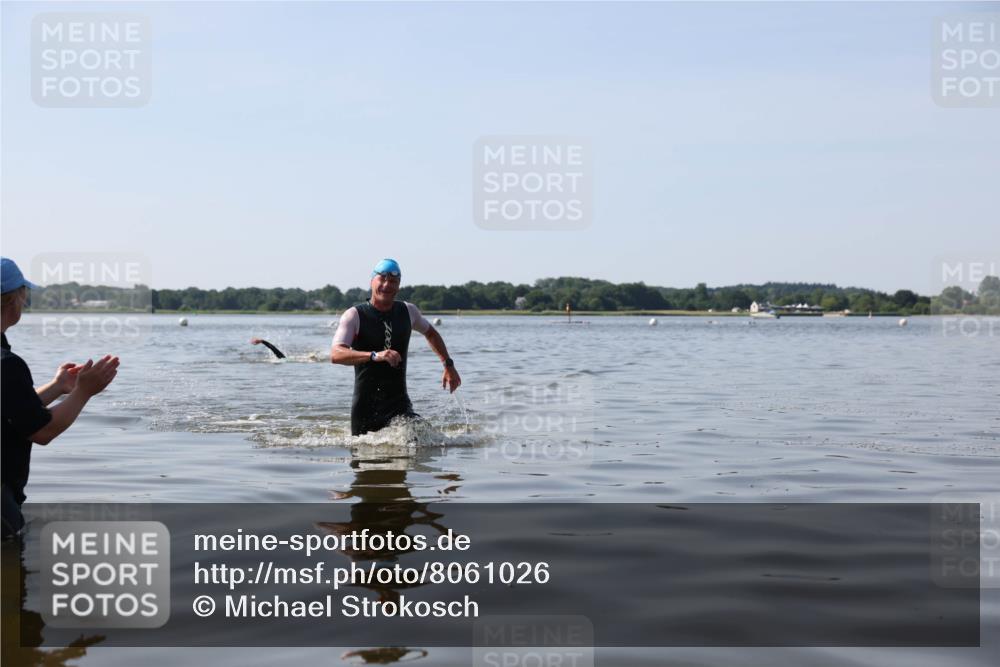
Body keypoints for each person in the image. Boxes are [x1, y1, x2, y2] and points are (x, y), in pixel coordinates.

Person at [1, 258, 119, 539]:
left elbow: (13, 411)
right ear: (13, 300)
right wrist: (83, 392)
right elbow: (41, 430)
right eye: (23, 293)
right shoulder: (7, 364)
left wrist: (57, 387)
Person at [330, 258, 461, 436]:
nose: (386, 285)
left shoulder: (408, 311)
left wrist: (448, 365)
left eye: (393, 281)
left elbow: (431, 333)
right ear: (372, 281)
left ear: (398, 285)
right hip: (366, 410)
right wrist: (374, 355)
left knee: (423, 441)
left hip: (400, 405)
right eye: (382, 279)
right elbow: (336, 354)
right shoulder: (354, 315)